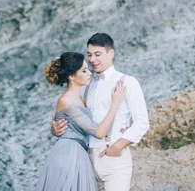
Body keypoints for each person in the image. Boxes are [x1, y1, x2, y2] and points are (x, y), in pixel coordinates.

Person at [51, 33, 150, 191]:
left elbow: (142, 122)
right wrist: (56, 129)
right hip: (87, 160)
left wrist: (118, 146)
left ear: (111, 53)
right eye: (89, 55)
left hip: (113, 159)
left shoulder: (128, 82)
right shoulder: (85, 85)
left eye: (98, 54)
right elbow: (72, 114)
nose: (92, 60)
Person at [36, 52, 126, 191]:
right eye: (84, 70)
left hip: (78, 153)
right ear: (72, 76)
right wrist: (116, 103)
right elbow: (98, 132)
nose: (89, 73)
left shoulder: (80, 97)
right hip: (69, 155)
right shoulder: (66, 100)